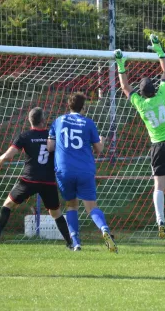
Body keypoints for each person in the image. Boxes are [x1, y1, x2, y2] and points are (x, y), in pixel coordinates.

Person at [115, 34, 165, 238]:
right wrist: (159, 50)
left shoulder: (141, 103)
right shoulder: (164, 93)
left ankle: (160, 221)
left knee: (159, 184)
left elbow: (124, 87)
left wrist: (121, 65)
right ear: (154, 88)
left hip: (157, 146)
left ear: (142, 92)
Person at [0, 107, 72, 250]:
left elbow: (8, 155)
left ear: (30, 121)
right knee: (56, 213)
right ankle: (70, 243)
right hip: (48, 181)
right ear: (43, 120)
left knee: (7, 205)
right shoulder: (52, 135)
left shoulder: (25, 136)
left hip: (29, 180)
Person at [47, 93, 117, 252]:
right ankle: (105, 230)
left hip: (64, 170)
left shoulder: (58, 121)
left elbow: (50, 147)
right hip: (85, 169)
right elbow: (99, 149)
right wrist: (102, 139)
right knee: (91, 207)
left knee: (71, 205)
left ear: (69, 105)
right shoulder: (88, 123)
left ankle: (76, 242)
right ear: (83, 107)